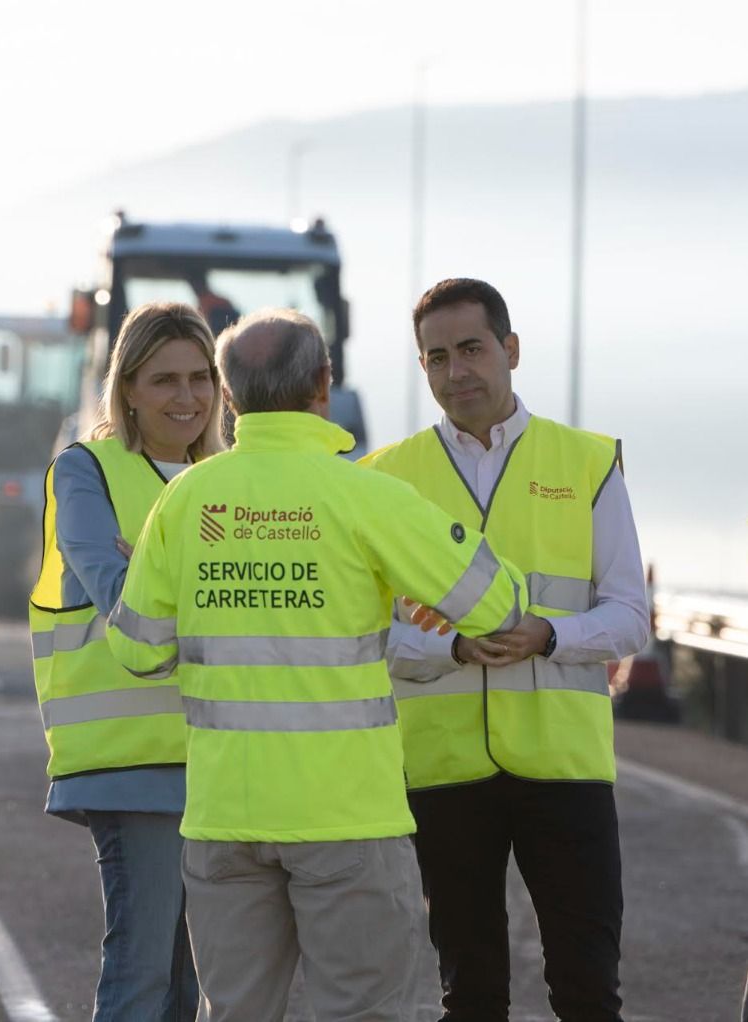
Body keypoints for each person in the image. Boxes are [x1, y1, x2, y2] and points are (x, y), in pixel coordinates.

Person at [106, 307, 528, 1022]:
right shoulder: (366, 496)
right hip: (347, 817)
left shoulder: (186, 500)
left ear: (230, 397)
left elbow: (137, 650)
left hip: (224, 818)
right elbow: (496, 606)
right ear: (323, 383)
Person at [363, 278, 648, 1022]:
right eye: (436, 357)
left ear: (509, 350)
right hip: (443, 771)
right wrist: (452, 647)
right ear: (421, 367)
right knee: (471, 996)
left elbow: (629, 615)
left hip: (566, 768)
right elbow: (366, 635)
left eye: (471, 349)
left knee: (588, 993)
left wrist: (551, 635)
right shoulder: (384, 479)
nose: (457, 371)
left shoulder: (587, 462)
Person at [29, 300, 224, 1021]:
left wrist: (154, 569)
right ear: (128, 389)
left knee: (185, 986)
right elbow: (117, 597)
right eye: (164, 379)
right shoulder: (86, 472)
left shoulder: (226, 477)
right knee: (143, 972)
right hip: (128, 760)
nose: (188, 397)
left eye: (202, 377)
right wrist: (207, 588)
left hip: (218, 759)